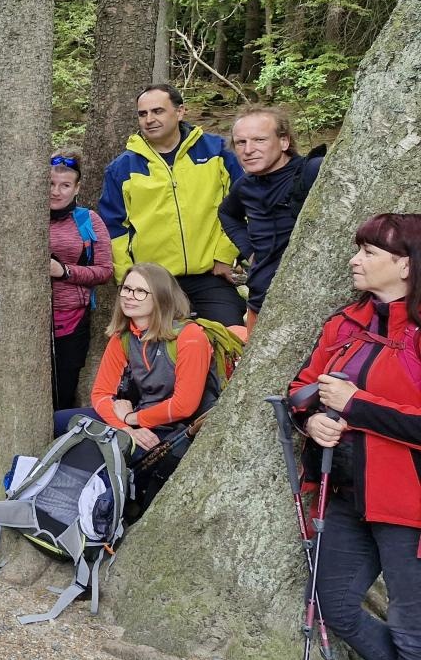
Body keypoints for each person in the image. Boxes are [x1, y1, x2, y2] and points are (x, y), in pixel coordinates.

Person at [289, 213, 421, 660]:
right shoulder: (348, 323)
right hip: (344, 493)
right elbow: (302, 387)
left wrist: (357, 406)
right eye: (358, 249)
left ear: (406, 264)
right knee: (333, 605)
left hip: (409, 505)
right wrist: (312, 419)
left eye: (369, 251)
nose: (355, 260)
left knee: (413, 631)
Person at [56, 263, 216, 517]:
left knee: (117, 452)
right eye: (127, 289)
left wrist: (132, 419)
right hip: (136, 422)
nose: (130, 296)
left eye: (141, 291)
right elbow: (100, 394)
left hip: (177, 429)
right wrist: (126, 428)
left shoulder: (191, 336)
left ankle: (105, 513)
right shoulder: (123, 336)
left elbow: (184, 405)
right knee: (59, 421)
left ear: (162, 296)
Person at [99, 83, 245, 326]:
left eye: (158, 111)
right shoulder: (122, 168)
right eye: (143, 114)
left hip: (211, 274)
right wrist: (129, 281)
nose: (149, 119)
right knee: (159, 345)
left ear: (180, 112)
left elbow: (243, 204)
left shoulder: (217, 151)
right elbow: (114, 231)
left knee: (232, 337)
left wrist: (225, 255)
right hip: (155, 282)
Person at [220, 106, 323, 332]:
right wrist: (250, 252)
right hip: (260, 301)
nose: (249, 150)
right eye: (241, 142)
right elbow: (227, 213)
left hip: (311, 302)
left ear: (284, 141)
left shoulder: (313, 171)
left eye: (259, 140)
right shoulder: (245, 186)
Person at [46, 151, 112, 411]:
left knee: (63, 386)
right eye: (51, 184)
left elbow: (105, 271)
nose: (56, 192)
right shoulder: (26, 216)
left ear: (77, 188)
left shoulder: (88, 220)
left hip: (71, 320)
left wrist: (64, 271)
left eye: (65, 185)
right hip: (28, 319)